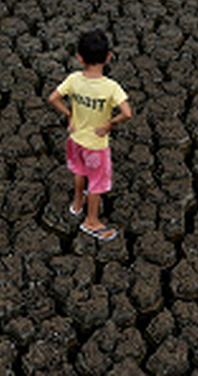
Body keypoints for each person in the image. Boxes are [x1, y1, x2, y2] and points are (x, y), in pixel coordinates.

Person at [48, 29, 134, 241]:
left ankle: (77, 203)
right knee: (96, 183)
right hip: (96, 145)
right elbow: (127, 113)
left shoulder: (74, 79)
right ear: (108, 57)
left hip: (75, 139)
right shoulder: (111, 88)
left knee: (79, 171)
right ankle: (91, 221)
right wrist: (110, 123)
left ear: (79, 58)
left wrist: (69, 114)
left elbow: (53, 98)